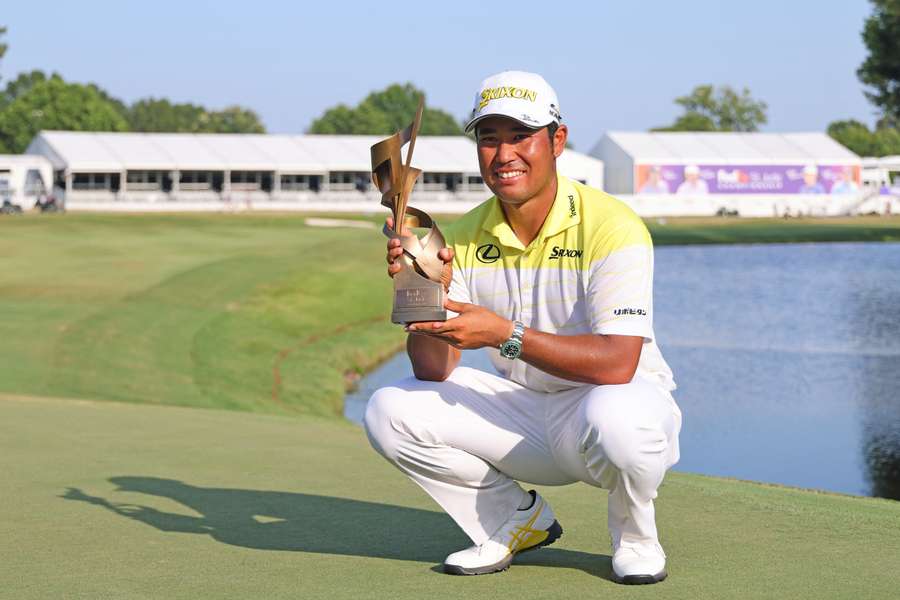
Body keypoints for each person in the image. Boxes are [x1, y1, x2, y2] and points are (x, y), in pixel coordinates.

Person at [365, 71, 682, 585]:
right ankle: (513, 520)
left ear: (557, 140)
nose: (503, 153)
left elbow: (618, 362)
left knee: (620, 418)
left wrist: (502, 334)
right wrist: (420, 288)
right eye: (489, 139)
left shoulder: (612, 225)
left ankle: (636, 538)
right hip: (529, 416)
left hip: (615, 407)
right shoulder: (463, 234)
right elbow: (433, 368)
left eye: (520, 136)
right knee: (389, 409)